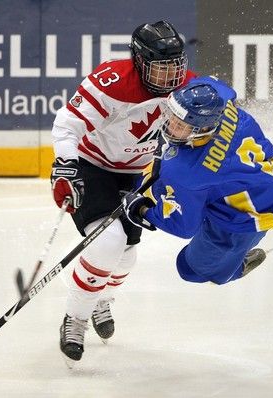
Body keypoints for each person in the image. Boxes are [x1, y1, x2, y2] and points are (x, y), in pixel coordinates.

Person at [49, 20, 195, 366]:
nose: (171, 77)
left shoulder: (188, 88)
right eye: (161, 68)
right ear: (140, 62)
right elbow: (67, 124)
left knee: (127, 254)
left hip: (137, 174)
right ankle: (75, 318)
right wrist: (66, 168)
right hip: (92, 166)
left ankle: (101, 299)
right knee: (107, 242)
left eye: (176, 66)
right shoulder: (112, 81)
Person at [122, 76, 273, 286]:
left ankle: (236, 265)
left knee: (190, 269)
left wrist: (142, 211)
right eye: (172, 116)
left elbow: (184, 228)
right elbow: (204, 84)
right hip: (269, 182)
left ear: (202, 130)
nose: (170, 124)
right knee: (173, 184)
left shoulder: (188, 173)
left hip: (248, 214)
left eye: (180, 125)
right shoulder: (220, 102)